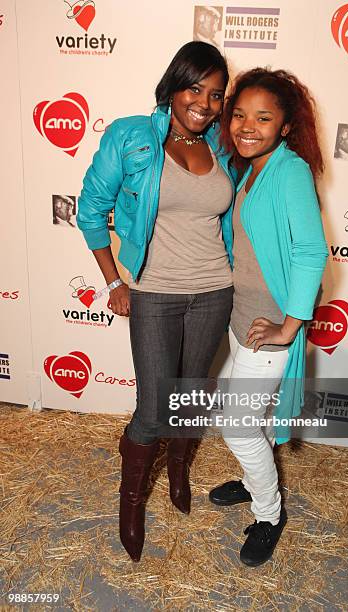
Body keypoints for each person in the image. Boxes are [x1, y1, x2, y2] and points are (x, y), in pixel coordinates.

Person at [77, 41, 235, 562]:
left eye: (216, 95)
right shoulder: (130, 136)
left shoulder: (222, 144)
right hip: (154, 292)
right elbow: (91, 210)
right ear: (174, 85)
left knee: (189, 401)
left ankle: (180, 475)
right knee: (152, 410)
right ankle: (131, 504)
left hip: (215, 289)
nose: (205, 103)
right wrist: (113, 282)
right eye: (195, 88)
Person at [208, 68, 328, 566]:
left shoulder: (290, 170)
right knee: (233, 414)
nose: (247, 125)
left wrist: (289, 326)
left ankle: (269, 512)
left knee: (237, 426)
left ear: (285, 126)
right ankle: (257, 476)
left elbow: (311, 251)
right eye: (239, 114)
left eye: (263, 116)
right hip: (243, 324)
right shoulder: (249, 168)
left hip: (268, 332)